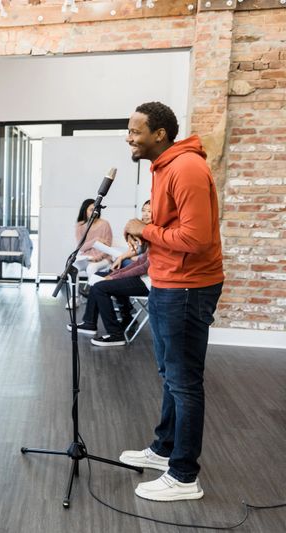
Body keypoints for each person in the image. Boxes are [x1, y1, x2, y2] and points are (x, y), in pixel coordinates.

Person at [119, 101, 224, 501]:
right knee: (170, 375)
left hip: (187, 287)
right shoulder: (165, 167)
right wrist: (146, 232)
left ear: (158, 134)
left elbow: (196, 240)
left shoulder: (185, 168)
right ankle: (165, 450)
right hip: (169, 282)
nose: (129, 137)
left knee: (183, 381)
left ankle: (184, 477)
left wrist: (144, 229)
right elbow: (172, 227)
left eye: (135, 130)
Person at [68, 250, 149, 347]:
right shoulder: (151, 244)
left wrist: (115, 277)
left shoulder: (158, 242)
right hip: (141, 278)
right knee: (97, 276)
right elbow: (139, 262)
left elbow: (143, 268)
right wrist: (115, 274)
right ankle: (89, 323)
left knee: (100, 287)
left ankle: (116, 334)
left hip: (147, 283)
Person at [73, 198, 114, 278]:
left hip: (103, 258)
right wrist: (96, 240)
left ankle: (94, 290)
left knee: (91, 268)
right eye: (91, 210)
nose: (95, 212)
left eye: (96, 209)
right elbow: (81, 247)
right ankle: (75, 291)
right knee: (72, 268)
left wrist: (97, 258)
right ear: (85, 211)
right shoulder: (80, 226)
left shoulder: (105, 224)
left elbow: (107, 247)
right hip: (86, 258)